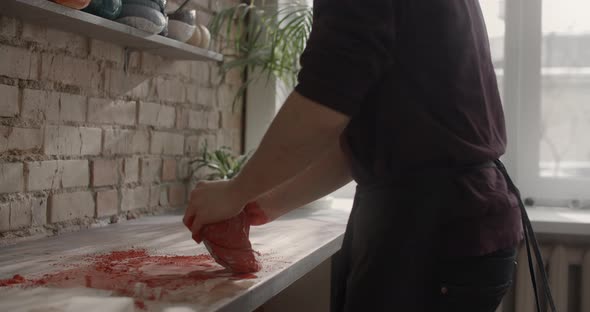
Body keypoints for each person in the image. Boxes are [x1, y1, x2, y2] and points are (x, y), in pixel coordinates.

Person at [183, 0, 523, 311]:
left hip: (429, 228)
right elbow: (359, 144)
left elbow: (324, 106)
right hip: (464, 217)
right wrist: (263, 205)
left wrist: (235, 191)